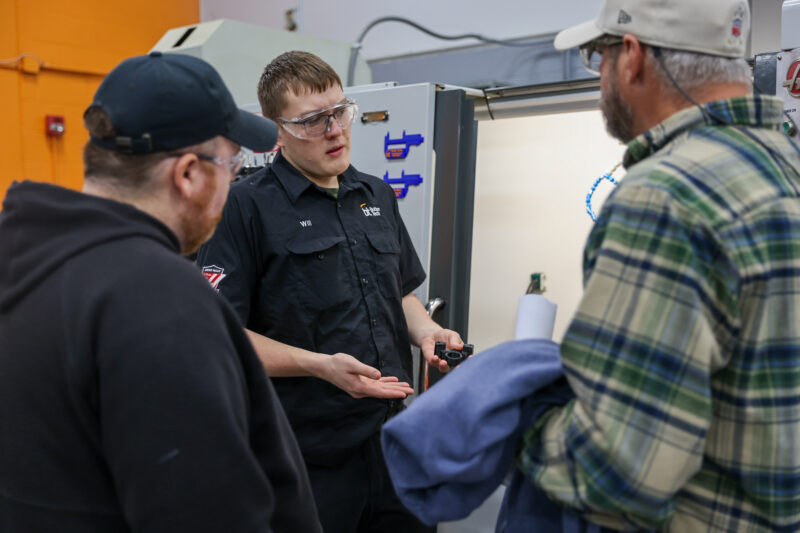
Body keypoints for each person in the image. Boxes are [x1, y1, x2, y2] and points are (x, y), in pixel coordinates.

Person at [0, 51, 321, 533]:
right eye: (231, 164)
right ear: (189, 174)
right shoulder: (158, 299)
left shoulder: (21, 254)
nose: (233, 183)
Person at [515, 0, 800, 530]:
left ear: (631, 57)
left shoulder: (664, 197)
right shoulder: (787, 166)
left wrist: (514, 422)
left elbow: (618, 471)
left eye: (595, 56)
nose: (600, 75)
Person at [196, 50, 463, 532]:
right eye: (313, 121)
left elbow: (399, 292)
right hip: (304, 456)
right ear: (276, 129)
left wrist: (427, 332)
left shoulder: (377, 195)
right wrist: (319, 366)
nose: (335, 130)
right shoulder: (243, 208)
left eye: (340, 112)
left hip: (391, 442)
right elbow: (220, 337)